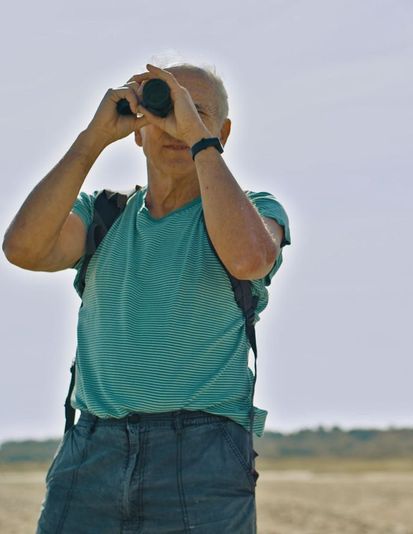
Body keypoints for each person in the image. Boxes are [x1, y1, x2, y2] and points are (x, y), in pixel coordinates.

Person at [3, 62, 290, 533]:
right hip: (92, 447)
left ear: (224, 131)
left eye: (196, 111)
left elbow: (249, 260)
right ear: (139, 129)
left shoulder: (254, 209)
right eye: (167, 108)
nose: (179, 122)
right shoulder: (104, 214)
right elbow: (23, 249)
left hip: (201, 456)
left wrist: (200, 142)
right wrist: (93, 138)